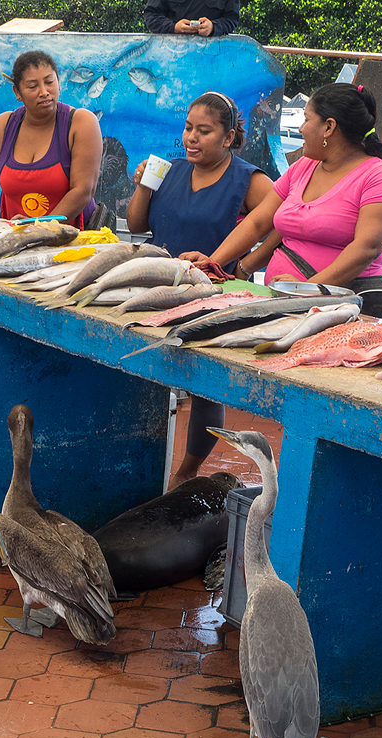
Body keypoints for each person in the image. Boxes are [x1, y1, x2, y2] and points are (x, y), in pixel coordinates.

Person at [127, 91, 273, 488]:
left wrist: (243, 266)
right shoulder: (169, 169)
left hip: (214, 296)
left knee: (206, 385)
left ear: (228, 138)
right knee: (142, 371)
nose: (191, 137)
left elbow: (280, 221)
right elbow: (138, 224)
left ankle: (186, 471)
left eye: (204, 131)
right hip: (156, 289)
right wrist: (144, 184)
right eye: (189, 128)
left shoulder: (249, 179)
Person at [182, 83, 382, 294]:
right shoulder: (303, 167)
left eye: (307, 120)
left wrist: (306, 290)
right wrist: (214, 263)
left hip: (340, 306)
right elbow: (258, 222)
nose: (301, 129)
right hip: (286, 300)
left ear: (329, 127)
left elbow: (366, 249)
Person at [0, 50, 103, 229]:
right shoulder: (0, 128)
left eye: (49, 82)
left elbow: (83, 190)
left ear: (59, 83)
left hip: (73, 243)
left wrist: (40, 228)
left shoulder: (81, 123)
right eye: (32, 86)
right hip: (13, 243)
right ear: (17, 92)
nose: (44, 92)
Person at [143, 0, 240, 37]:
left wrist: (213, 27)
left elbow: (232, 19)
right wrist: (174, 28)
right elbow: (151, 15)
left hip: (212, 59)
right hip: (173, 56)